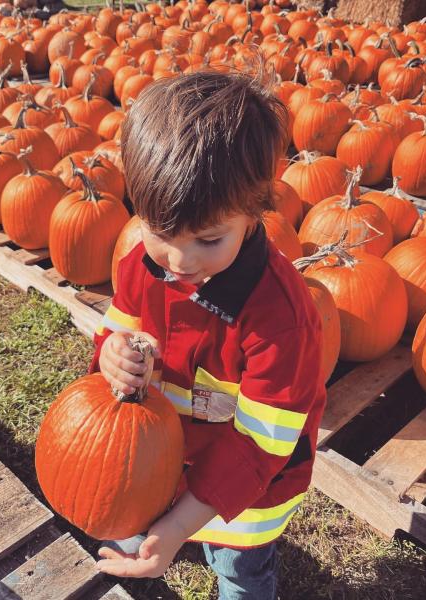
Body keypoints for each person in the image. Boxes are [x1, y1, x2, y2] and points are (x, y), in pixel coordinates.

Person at [89, 69, 327, 600]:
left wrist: (178, 527)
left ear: (256, 210)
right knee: (151, 526)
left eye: (208, 239)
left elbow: (263, 444)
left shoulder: (278, 318)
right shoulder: (139, 265)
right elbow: (115, 330)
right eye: (160, 232)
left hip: (250, 483)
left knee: (238, 568)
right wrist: (111, 355)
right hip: (169, 456)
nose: (178, 261)